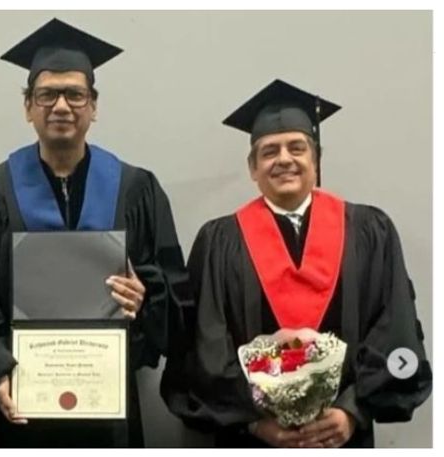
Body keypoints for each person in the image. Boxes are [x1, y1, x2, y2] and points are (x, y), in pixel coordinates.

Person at [0, 18, 192, 447]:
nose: (61, 106)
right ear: (28, 106)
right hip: (21, 408)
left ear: (94, 106)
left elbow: (177, 304)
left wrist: (146, 300)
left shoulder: (136, 190)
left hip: (111, 408)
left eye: (75, 94)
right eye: (47, 94)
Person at [160, 79, 432, 448]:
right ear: (253, 167)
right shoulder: (220, 241)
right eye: (269, 151)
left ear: (316, 160)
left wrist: (352, 411)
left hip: (343, 439)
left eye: (297, 147)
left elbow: (394, 325)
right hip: (252, 441)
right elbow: (203, 345)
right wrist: (256, 422)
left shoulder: (370, 232)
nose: (284, 159)